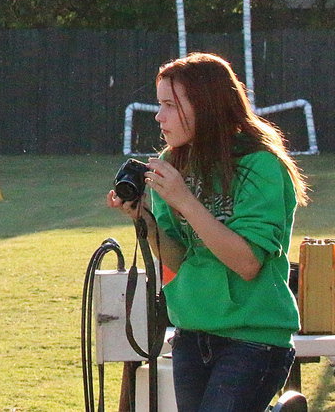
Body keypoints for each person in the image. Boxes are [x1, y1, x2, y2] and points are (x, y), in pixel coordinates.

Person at [108, 52, 308, 412]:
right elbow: (177, 258)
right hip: (192, 333)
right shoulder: (173, 163)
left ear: (206, 106)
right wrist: (143, 218)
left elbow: (247, 263)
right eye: (160, 104)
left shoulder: (261, 165)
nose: (159, 116)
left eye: (170, 105)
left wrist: (185, 200)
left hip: (253, 338)